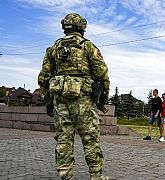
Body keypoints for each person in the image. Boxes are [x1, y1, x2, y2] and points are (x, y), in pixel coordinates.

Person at [38, 13, 109, 180]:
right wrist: (103, 97)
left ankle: (65, 176)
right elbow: (102, 73)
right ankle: (96, 176)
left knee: (64, 139)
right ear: (82, 27)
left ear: (65, 27)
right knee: (90, 137)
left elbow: (43, 77)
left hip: (59, 99)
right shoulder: (88, 46)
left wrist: (49, 102)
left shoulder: (54, 48)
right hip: (83, 99)